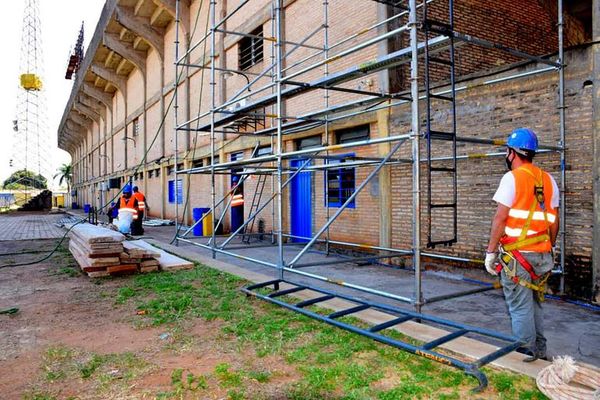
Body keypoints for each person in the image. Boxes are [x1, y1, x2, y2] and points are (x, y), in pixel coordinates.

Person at [484, 128, 560, 362]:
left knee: (519, 307)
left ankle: (526, 357)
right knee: (535, 304)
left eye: (507, 152)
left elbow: (501, 218)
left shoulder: (512, 178)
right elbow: (554, 220)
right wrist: (551, 246)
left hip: (518, 257)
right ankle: (540, 352)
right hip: (543, 255)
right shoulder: (548, 179)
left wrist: (491, 252)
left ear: (512, 153)